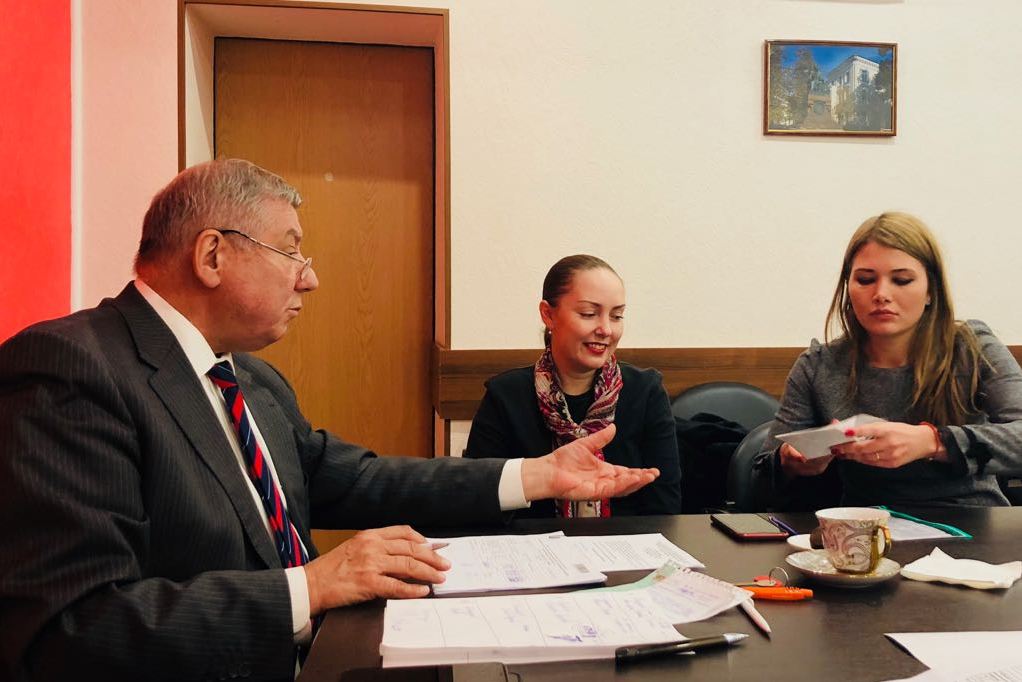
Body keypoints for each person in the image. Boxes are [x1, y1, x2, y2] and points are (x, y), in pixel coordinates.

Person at [0, 160, 659, 682]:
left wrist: (536, 476)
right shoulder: (71, 369)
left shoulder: (248, 378)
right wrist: (310, 586)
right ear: (212, 256)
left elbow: (357, 479)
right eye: (292, 252)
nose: (309, 278)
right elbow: (68, 630)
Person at [752, 212, 1022, 508]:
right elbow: (759, 481)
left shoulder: (972, 348)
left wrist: (933, 441)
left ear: (931, 291)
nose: (881, 294)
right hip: (867, 527)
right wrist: (790, 464)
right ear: (848, 288)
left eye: (902, 280)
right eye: (865, 280)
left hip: (972, 521)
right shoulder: (818, 365)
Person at [464, 255, 681, 517]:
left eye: (617, 316)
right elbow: (478, 500)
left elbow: (665, 507)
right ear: (548, 314)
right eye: (589, 314)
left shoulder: (646, 391)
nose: (606, 329)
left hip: (626, 542)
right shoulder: (505, 396)